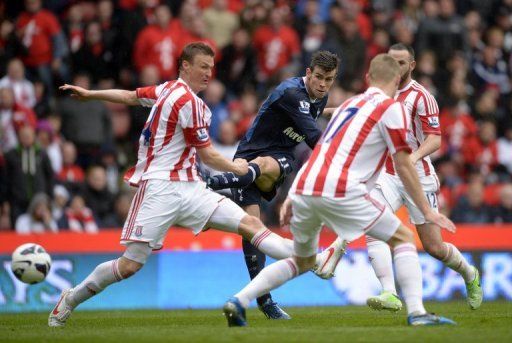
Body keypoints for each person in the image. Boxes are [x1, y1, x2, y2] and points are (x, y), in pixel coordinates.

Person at [48, 42, 337, 328]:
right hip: (159, 189)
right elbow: (208, 154)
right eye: (203, 67)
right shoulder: (188, 101)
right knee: (129, 265)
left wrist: (90, 94)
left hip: (190, 188)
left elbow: (129, 96)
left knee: (251, 225)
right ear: (185, 65)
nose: (209, 73)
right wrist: (237, 168)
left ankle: (315, 260)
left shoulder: (165, 90)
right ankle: (69, 299)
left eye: (211, 67)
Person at [222, 54, 456, 327]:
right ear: (396, 80)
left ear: (368, 78)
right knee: (403, 237)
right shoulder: (391, 109)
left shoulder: (349, 105)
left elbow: (321, 149)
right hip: (341, 187)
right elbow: (404, 165)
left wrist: (293, 193)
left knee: (303, 259)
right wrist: (427, 210)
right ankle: (417, 312)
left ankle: (239, 301)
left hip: (307, 186)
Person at [206, 50, 345, 319]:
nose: (323, 84)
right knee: (253, 234)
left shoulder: (319, 97)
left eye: (329, 79)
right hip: (249, 158)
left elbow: (316, 112)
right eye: (318, 77)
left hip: (275, 160)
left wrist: (340, 110)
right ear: (308, 73)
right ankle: (264, 301)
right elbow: (315, 139)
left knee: (268, 165)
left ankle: (213, 182)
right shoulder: (292, 93)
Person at [364, 44, 483, 312]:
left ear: (412, 65)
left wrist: (413, 158)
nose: (397, 67)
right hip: (390, 174)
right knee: (374, 223)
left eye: (402, 63)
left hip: (419, 175)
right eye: (392, 62)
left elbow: (435, 139)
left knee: (434, 247)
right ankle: (389, 293)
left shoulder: (421, 96)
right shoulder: (380, 93)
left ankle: (469, 273)